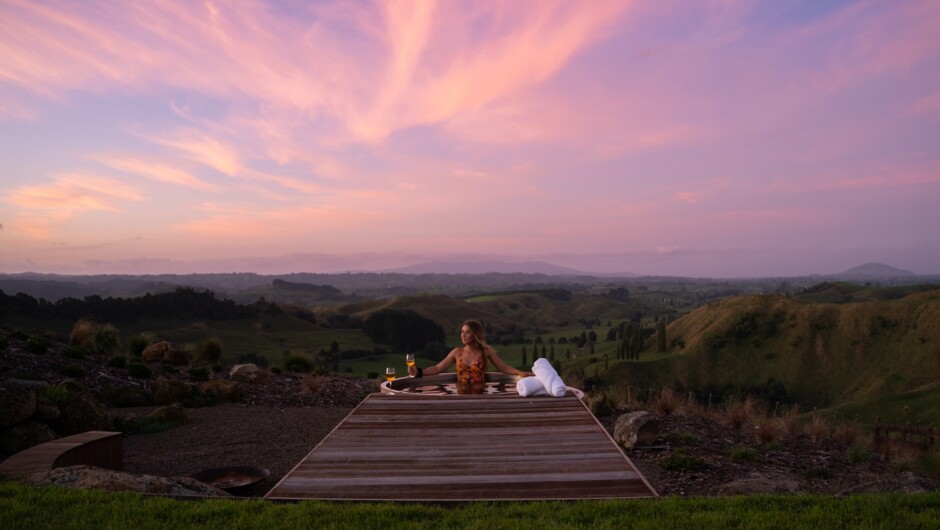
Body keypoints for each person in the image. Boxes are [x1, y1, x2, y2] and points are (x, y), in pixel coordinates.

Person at [408, 320, 532, 392]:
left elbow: (503, 368)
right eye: (462, 332)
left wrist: (519, 372)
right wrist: (418, 372)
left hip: (481, 393)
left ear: (475, 335)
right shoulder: (457, 352)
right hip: (460, 393)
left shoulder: (486, 351)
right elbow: (437, 368)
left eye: (467, 332)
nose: (463, 335)